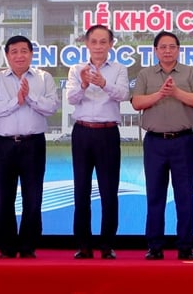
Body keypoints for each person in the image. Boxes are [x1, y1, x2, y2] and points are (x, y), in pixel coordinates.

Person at [0, 35, 61, 259]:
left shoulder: (44, 78)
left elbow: (51, 107)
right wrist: (16, 101)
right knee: (3, 197)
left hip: (33, 144)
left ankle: (28, 246)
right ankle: (6, 246)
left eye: (24, 51)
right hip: (4, 144)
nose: (19, 55)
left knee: (33, 197)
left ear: (31, 54)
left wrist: (30, 97)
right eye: (14, 51)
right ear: (7, 55)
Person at [131, 31, 193, 261]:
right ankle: (154, 246)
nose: (167, 50)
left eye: (172, 46)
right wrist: (160, 94)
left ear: (178, 49)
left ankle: (185, 246)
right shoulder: (145, 74)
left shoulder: (190, 72)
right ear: (155, 50)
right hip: (154, 143)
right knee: (154, 195)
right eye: (162, 47)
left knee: (185, 196)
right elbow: (136, 103)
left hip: (184, 141)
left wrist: (175, 92)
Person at [66, 25, 130, 260]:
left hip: (107, 133)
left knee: (109, 190)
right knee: (81, 189)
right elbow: (71, 98)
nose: (99, 46)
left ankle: (107, 245)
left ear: (111, 44)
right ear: (87, 44)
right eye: (94, 42)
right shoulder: (76, 69)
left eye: (104, 42)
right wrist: (83, 84)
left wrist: (104, 83)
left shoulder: (119, 69)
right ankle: (83, 245)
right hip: (82, 132)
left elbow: (123, 95)